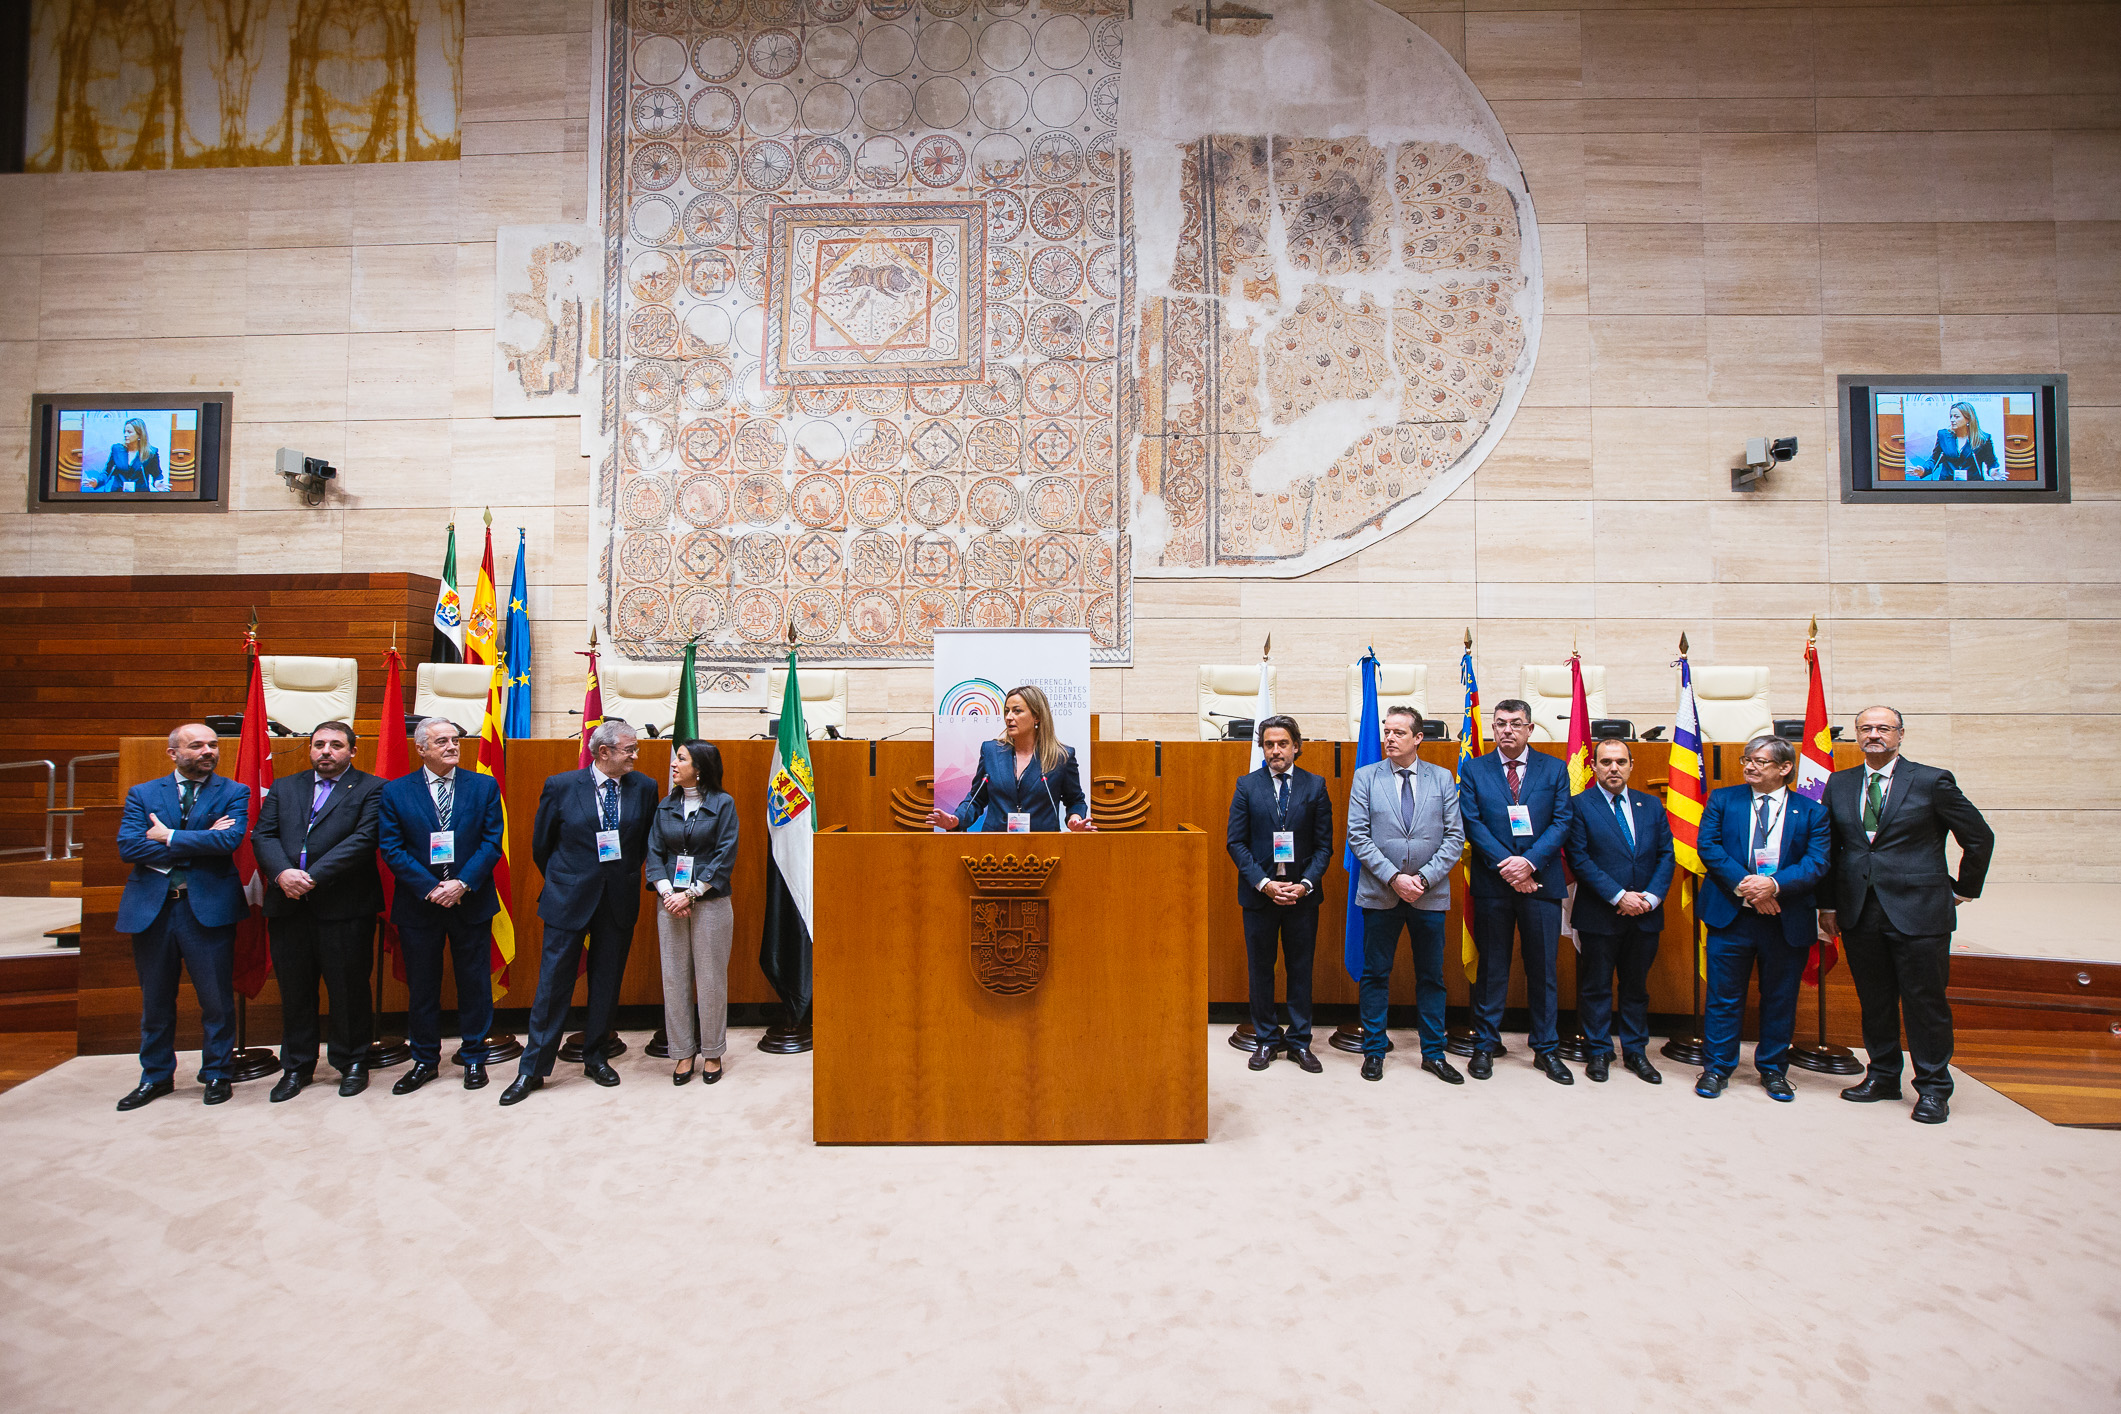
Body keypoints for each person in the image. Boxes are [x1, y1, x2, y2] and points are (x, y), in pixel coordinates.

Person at [1821, 706, 1995, 1125]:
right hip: (1860, 911)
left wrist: (1963, 890)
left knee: (1925, 1003)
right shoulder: (1840, 782)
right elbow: (1830, 849)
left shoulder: (1932, 780)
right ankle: (1882, 1076)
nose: (1874, 734)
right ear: (1857, 736)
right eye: (1866, 728)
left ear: (1900, 735)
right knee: (1875, 1001)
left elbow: (1979, 837)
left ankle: (1934, 1088)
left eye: (1883, 728)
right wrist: (1826, 904)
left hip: (1920, 911)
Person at [502, 719, 659, 1105]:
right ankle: (532, 1069)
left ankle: (596, 1056)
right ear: (603, 752)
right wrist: (570, 879)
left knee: (606, 982)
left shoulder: (646, 787)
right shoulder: (561, 786)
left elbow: (643, 844)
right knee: (553, 983)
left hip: (617, 898)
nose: (636, 756)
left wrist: (618, 876)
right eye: (629, 750)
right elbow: (543, 845)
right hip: (568, 896)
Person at [112, 723, 249, 1110]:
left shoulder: (235, 792)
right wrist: (198, 841)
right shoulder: (143, 793)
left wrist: (168, 837)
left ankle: (218, 1074)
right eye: (197, 745)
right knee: (156, 1001)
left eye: (213, 744)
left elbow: (227, 842)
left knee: (217, 1001)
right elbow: (129, 846)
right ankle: (156, 1077)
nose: (208, 751)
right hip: (153, 910)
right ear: (173, 753)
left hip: (206, 909)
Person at [252, 721, 385, 1101]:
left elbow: (364, 839)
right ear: (310, 749)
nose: (326, 751)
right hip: (288, 905)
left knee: (348, 990)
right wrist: (282, 874)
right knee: (295, 992)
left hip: (344, 905)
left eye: (336, 745)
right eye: (319, 744)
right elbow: (263, 834)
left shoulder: (372, 788)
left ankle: (352, 1062)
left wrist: (310, 877)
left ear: (352, 751)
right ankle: (297, 1067)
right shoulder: (285, 786)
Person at [1694, 736, 1831, 1102]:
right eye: (1747, 760)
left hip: (1785, 920)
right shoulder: (1724, 800)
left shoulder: (1812, 810)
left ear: (1785, 768)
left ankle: (1773, 1070)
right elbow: (1709, 847)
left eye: (1760, 761)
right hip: (1731, 916)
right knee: (1723, 997)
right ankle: (1717, 1068)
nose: (1749, 767)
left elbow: (1816, 863)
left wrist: (1772, 885)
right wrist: (1750, 889)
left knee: (1780, 998)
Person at [378, 717, 507, 1095]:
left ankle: (473, 1058)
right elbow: (392, 848)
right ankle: (424, 1060)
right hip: (421, 905)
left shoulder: (482, 785)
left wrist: (461, 884)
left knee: (473, 984)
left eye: (455, 740)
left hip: (470, 900)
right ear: (421, 749)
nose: (452, 746)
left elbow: (491, 841)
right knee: (422, 987)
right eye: (442, 741)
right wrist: (431, 887)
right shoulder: (396, 791)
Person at [1346, 706, 1465, 1084]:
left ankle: (1432, 1053)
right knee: (1375, 974)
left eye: (1399, 732)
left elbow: (1455, 837)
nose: (1389, 738)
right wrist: (1395, 877)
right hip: (1381, 893)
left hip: (1429, 896)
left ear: (1418, 738)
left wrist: (1424, 880)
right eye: (1387, 731)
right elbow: (1358, 836)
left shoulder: (1443, 778)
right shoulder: (1366, 777)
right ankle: (1375, 1052)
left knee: (1431, 977)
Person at [1459, 699, 1574, 1083]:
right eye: (1501, 723)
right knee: (1492, 968)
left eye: (1516, 724)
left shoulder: (1555, 769)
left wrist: (1528, 863)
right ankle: (1486, 1045)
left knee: (1542, 970)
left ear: (1530, 729)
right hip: (1494, 884)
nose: (1507, 730)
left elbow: (1562, 822)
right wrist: (1508, 866)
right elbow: (1472, 823)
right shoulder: (1474, 769)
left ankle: (1545, 1049)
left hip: (1540, 883)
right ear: (1492, 728)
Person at [1563, 738, 1675, 1085]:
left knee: (1636, 988)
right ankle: (1599, 1051)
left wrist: (1650, 898)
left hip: (1645, 913)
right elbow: (1579, 858)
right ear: (1592, 766)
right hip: (1600, 913)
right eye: (1606, 762)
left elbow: (1666, 856)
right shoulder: (1579, 805)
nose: (1614, 768)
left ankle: (1636, 1053)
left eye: (1621, 762)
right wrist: (1618, 896)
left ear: (1631, 765)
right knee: (1596, 987)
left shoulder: (1651, 805)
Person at [1225, 715, 1334, 1072]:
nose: (1276, 750)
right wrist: (1265, 884)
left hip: (1302, 898)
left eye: (1283, 744)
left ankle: (1300, 1042)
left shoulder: (1315, 786)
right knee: (1261, 971)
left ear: (1296, 747)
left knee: (1300, 970)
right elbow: (1236, 843)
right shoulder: (1246, 786)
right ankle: (1267, 1040)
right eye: (1269, 744)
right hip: (1260, 897)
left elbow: (1324, 847)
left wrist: (1304, 885)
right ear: (1261, 747)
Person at [646, 740, 741, 1086]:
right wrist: (669, 892)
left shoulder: (723, 804)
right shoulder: (665, 805)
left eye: (681, 759)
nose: (673, 763)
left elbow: (725, 855)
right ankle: (683, 1051)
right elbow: (654, 854)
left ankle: (713, 1051)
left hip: (710, 902)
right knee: (674, 978)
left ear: (699, 767)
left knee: (711, 979)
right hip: (670, 902)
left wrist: (692, 892)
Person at [926, 685, 1096, 833]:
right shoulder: (991, 751)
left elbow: (1075, 800)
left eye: (1017, 711)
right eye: (1007, 711)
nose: (1009, 717)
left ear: (1037, 716)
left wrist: (1074, 819)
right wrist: (955, 820)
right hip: (994, 846)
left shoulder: (1061, 757)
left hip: (1043, 846)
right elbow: (976, 799)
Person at [1910, 402, 2001, 481]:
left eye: (1956, 417)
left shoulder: (1983, 439)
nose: (1952, 420)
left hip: (1972, 485)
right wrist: (1923, 470)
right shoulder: (1943, 435)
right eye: (1951, 416)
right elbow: (1934, 459)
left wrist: (1992, 471)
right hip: (1947, 484)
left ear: (1968, 419)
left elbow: (1991, 461)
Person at [85, 418, 167, 493]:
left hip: (140, 496)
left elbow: (157, 474)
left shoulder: (151, 453)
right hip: (117, 494)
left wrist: (157, 484)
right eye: (124, 431)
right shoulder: (117, 449)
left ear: (139, 434)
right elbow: (107, 472)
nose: (125, 435)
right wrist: (97, 482)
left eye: (129, 432)